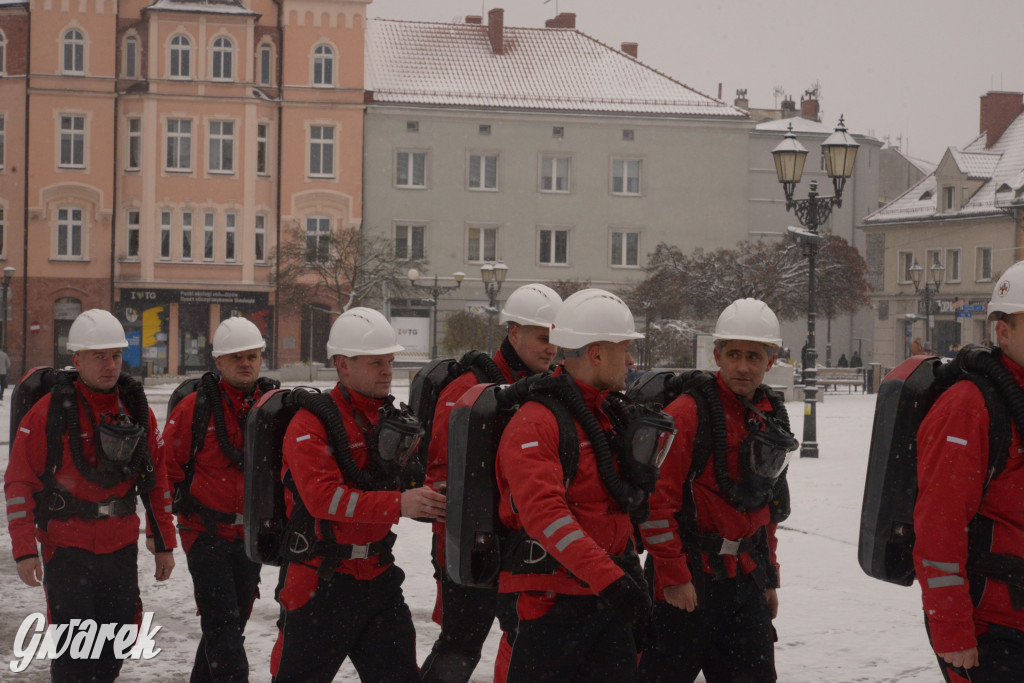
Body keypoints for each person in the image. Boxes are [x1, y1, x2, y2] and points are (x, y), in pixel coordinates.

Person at [271, 307, 446, 682]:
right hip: (321, 582)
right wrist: (399, 503)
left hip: (378, 577)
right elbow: (323, 499)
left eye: (390, 361)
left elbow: (402, 481)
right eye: (375, 363)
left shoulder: (388, 418)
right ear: (343, 365)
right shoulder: (311, 421)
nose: (387, 371)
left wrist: (427, 494)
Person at [4, 308, 176, 681]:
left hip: (120, 546)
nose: (110, 365)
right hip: (66, 549)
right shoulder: (48, 412)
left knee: (116, 645)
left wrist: (164, 541)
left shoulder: (136, 410)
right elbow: (19, 481)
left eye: (116, 355)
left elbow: (156, 477)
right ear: (77, 359)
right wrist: (23, 550)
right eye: (99, 357)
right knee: (75, 654)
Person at [495, 289, 657, 682]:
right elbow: (546, 518)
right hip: (553, 608)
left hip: (604, 601)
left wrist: (628, 578)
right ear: (597, 353)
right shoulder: (537, 421)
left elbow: (614, 510)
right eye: (625, 349)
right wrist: (614, 582)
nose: (632, 361)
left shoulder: (604, 415)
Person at [638, 298, 794, 683]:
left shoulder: (768, 415)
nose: (743, 366)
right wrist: (673, 576)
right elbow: (656, 504)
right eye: (734, 354)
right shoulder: (687, 413)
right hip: (688, 581)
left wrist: (769, 577)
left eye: (754, 357)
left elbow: (766, 508)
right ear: (717, 355)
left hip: (745, 580)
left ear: (770, 361)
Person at [421, 283, 562, 683]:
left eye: (557, 339)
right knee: (462, 644)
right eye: (543, 338)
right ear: (514, 332)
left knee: (523, 637)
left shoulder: (546, 384)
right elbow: (440, 468)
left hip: (520, 538)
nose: (551, 348)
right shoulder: (470, 384)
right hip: (470, 540)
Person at [914, 262, 1024, 682]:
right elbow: (938, 528)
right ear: (1003, 332)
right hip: (990, 626)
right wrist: (952, 627)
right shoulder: (968, 407)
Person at [163, 317, 275, 682]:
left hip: (251, 538)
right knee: (223, 629)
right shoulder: (194, 408)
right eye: (237, 357)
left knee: (228, 629)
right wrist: (161, 531)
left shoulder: (273, 407)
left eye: (253, 356)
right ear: (219, 363)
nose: (246, 363)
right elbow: (165, 471)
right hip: (204, 533)